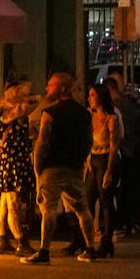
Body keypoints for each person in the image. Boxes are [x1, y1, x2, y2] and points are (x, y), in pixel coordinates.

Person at [21, 71, 99, 265]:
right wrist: (81, 159)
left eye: (51, 85)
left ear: (62, 88)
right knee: (82, 208)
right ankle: (90, 247)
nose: (47, 88)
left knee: (48, 209)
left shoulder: (51, 113)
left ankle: (44, 251)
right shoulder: (84, 113)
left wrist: (38, 167)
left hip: (52, 166)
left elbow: (42, 142)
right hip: (74, 166)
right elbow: (89, 139)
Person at [105, 72, 140, 237]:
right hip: (138, 148)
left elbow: (120, 133)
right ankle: (138, 221)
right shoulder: (131, 102)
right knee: (138, 187)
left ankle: (128, 222)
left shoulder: (117, 106)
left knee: (126, 189)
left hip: (128, 150)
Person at [0, 78, 36, 254]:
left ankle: (2, 240)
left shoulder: (12, 111)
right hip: (12, 161)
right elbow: (25, 108)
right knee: (13, 203)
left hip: (14, 158)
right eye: (22, 93)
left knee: (4, 202)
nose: (25, 96)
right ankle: (20, 241)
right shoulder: (7, 110)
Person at [83, 83, 122, 258]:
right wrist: (88, 158)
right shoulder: (89, 117)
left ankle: (106, 241)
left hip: (107, 158)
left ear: (100, 98)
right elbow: (87, 140)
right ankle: (87, 240)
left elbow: (114, 146)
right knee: (88, 198)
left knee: (105, 199)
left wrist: (109, 170)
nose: (89, 98)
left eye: (92, 95)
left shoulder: (111, 119)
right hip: (94, 158)